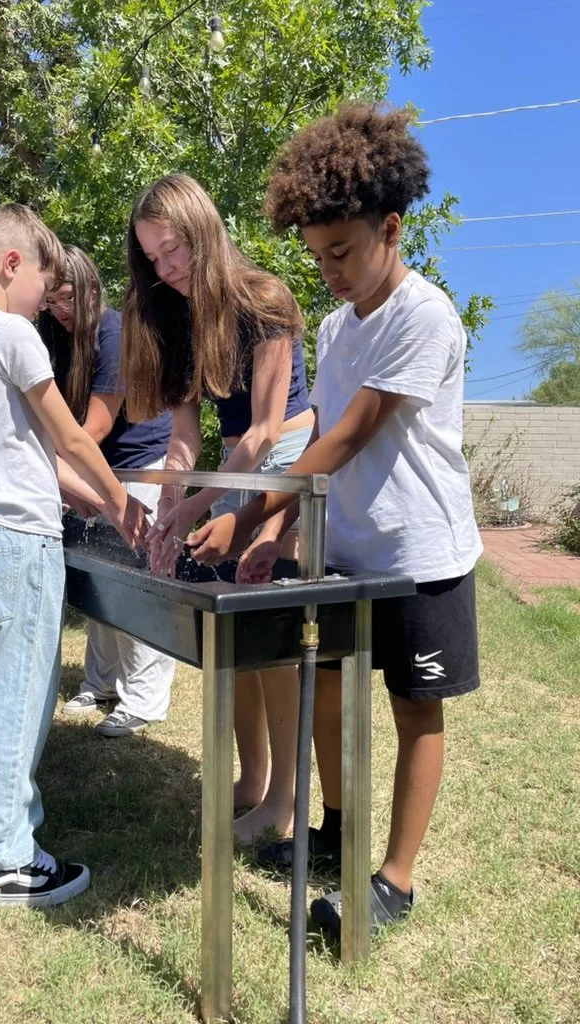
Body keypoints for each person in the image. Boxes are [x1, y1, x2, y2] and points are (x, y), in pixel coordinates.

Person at [187, 103, 483, 938]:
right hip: (345, 545)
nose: (330, 272)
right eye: (317, 257)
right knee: (326, 690)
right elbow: (317, 430)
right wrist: (279, 529)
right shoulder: (332, 324)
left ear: (392, 228)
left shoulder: (423, 316)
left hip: (420, 553)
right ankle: (339, 831)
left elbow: (354, 435)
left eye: (343, 252)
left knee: (414, 707)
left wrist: (246, 519)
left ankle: (393, 881)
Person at [0, 203, 149, 907]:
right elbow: (72, 439)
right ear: (12, 264)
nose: (45, 303)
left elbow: (10, 445)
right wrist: (122, 505)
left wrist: (81, 497)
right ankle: (2, 859)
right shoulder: (11, 334)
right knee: (16, 696)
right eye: (42, 286)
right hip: (17, 543)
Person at [122, 173, 315, 844]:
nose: (165, 268)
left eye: (173, 249)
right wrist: (172, 507)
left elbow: (265, 430)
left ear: (203, 230)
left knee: (272, 639)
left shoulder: (266, 298)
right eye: (152, 258)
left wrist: (205, 502)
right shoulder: (174, 316)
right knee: (233, 640)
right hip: (229, 467)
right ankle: (253, 780)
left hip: (286, 467)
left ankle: (286, 804)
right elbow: (182, 437)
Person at [38, 245, 175, 737]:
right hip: (93, 469)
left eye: (67, 298)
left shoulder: (114, 333)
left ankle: (143, 698)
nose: (59, 311)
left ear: (92, 289)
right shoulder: (55, 335)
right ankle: (101, 683)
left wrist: (47, 462)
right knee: (99, 579)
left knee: (135, 581)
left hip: (139, 468)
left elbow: (91, 429)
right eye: (51, 301)